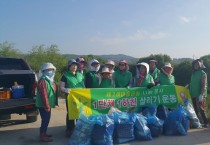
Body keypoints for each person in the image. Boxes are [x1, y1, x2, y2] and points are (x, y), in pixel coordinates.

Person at [60, 59, 85, 137]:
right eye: (72, 65)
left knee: (80, 113)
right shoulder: (65, 76)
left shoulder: (80, 75)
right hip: (70, 97)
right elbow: (61, 87)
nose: (74, 66)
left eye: (76, 65)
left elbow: (83, 86)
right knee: (71, 113)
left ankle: (79, 128)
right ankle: (69, 129)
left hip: (80, 97)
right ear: (69, 66)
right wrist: (66, 89)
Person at [35, 63, 57, 142]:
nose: (49, 71)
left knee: (46, 119)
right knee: (45, 119)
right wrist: (47, 105)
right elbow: (44, 94)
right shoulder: (43, 80)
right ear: (43, 71)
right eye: (47, 70)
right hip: (43, 105)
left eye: (51, 70)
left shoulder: (50, 80)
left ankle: (44, 133)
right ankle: (42, 136)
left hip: (47, 104)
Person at [189, 59, 209, 128]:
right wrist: (188, 85)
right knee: (195, 109)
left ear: (200, 65)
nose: (196, 66)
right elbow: (193, 82)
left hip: (200, 94)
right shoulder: (193, 73)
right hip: (193, 93)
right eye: (195, 64)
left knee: (201, 109)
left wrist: (202, 94)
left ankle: (206, 122)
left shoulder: (203, 73)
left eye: (197, 64)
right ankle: (197, 123)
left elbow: (204, 85)